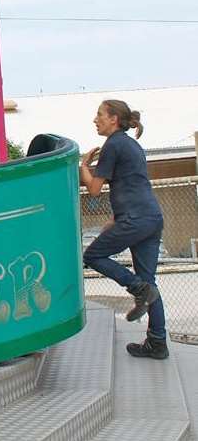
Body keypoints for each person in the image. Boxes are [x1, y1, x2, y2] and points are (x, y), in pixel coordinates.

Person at [80, 99, 167, 359]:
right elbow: (130, 184)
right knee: (150, 284)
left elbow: (94, 189)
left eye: (99, 115)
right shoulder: (131, 145)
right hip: (150, 218)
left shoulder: (114, 144)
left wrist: (83, 167)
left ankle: (136, 287)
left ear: (114, 119)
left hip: (135, 219)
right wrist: (117, 218)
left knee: (92, 256)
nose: (95, 120)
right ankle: (157, 343)